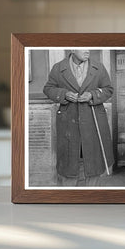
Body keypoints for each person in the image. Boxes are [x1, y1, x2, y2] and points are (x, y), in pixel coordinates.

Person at [43, 50, 114, 186]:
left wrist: (92, 95)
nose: (88, 50)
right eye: (83, 47)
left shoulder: (98, 67)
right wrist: (64, 94)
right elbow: (48, 88)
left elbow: (108, 89)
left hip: (93, 120)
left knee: (94, 162)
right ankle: (69, 198)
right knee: (69, 162)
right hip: (68, 121)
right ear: (72, 49)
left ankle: (91, 197)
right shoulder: (58, 68)